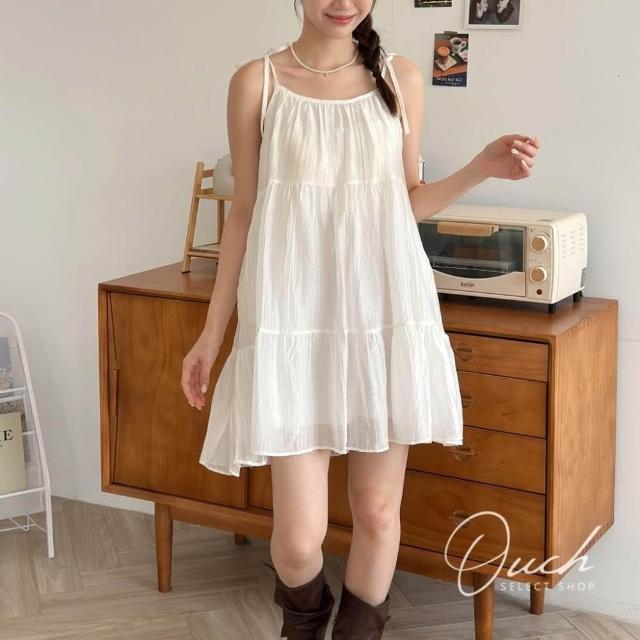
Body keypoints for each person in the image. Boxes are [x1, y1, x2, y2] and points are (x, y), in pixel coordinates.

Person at [181, 1, 540, 637]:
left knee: (376, 512)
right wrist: (212, 333)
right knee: (298, 538)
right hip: (293, 317)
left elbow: (406, 203)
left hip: (382, 312)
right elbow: (244, 213)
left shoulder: (401, 78)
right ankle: (304, 622)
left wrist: (480, 169)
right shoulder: (257, 81)